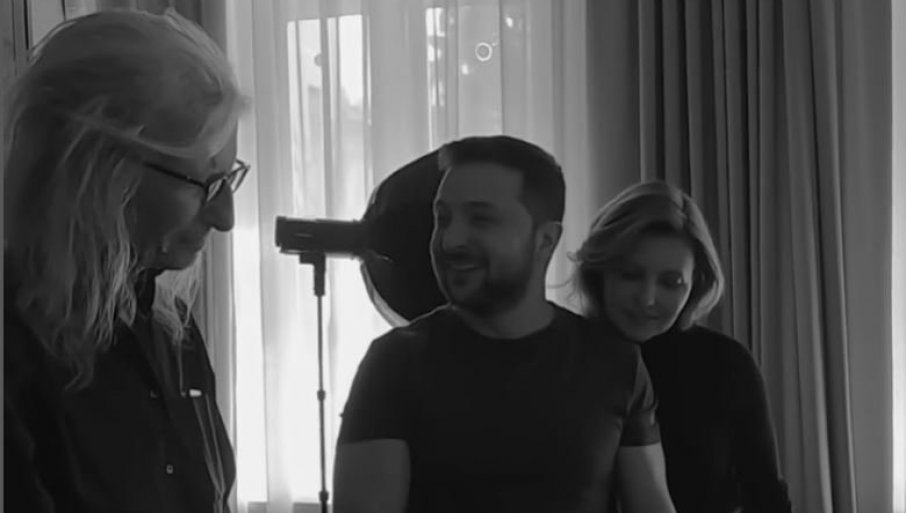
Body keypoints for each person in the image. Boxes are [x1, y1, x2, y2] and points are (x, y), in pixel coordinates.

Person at [333, 135, 677, 513]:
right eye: (443, 219)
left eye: (481, 219)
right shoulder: (395, 364)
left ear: (545, 241)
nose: (451, 240)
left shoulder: (614, 362)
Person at [3, 9, 248, 513]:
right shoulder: (14, 347)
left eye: (229, 179)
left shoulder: (173, 333)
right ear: (95, 173)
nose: (225, 218)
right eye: (205, 184)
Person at [571, 180, 793, 513]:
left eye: (670, 282)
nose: (647, 299)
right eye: (630, 275)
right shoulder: (562, 358)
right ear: (598, 272)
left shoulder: (725, 364)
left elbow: (766, 497)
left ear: (696, 284)